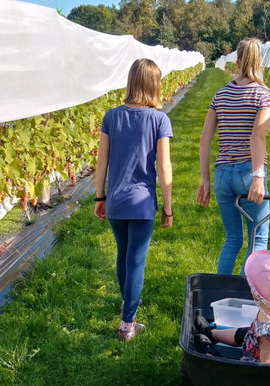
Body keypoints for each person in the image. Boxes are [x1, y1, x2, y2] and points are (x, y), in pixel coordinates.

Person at [94, 58, 173, 342]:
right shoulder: (159, 119)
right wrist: (168, 207)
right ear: (154, 85)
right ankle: (128, 322)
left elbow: (101, 163)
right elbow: (164, 168)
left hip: (115, 201)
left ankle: (128, 307)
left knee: (123, 255)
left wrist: (99, 196)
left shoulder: (111, 117)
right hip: (142, 203)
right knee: (136, 260)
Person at [196, 38, 270, 275]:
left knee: (232, 239)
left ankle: (220, 294)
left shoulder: (220, 95)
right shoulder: (264, 95)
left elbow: (205, 139)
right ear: (260, 62)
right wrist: (258, 177)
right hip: (247, 172)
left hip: (222, 174)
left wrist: (205, 179)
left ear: (238, 62)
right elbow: (257, 137)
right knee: (258, 240)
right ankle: (244, 297)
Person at [194, 250, 270, 364]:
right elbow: (254, 333)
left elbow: (267, 369)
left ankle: (213, 357)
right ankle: (213, 333)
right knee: (245, 333)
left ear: (256, 294)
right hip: (256, 340)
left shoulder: (269, 338)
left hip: (260, 368)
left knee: (223, 363)